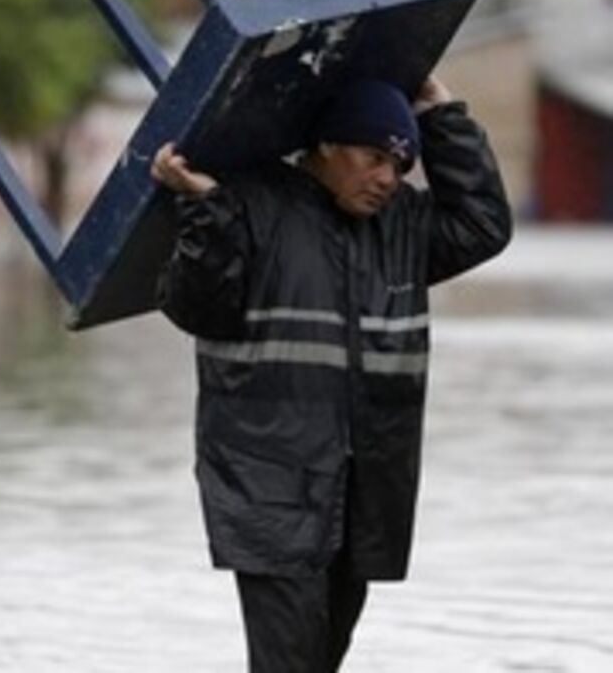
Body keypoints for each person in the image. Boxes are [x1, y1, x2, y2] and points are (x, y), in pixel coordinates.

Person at [150, 75, 512, 672]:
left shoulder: (404, 227)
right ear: (326, 147)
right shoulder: (249, 204)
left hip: (366, 490)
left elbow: (484, 225)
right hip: (269, 486)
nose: (387, 179)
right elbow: (195, 309)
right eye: (373, 159)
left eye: (399, 166)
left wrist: (443, 117)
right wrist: (205, 211)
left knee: (321, 660)